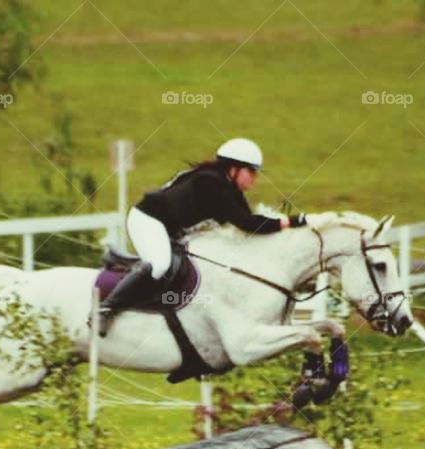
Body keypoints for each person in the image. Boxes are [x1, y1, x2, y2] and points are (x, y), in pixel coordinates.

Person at [96, 137, 309, 337]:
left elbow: (250, 224)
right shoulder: (211, 183)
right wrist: (290, 222)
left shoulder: (229, 189)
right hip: (147, 220)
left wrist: (288, 224)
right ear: (234, 168)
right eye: (251, 172)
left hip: (171, 229)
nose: (255, 178)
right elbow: (247, 224)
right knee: (160, 265)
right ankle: (107, 308)